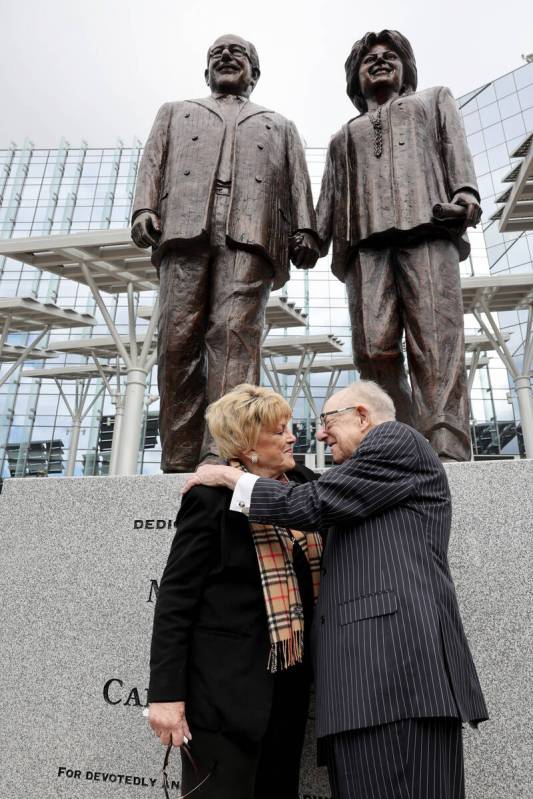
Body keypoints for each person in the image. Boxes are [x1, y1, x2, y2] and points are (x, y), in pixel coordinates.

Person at [184, 380, 488, 799]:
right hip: (360, 695)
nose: (319, 434)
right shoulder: (356, 476)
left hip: (396, 684)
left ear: (363, 416)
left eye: (327, 421)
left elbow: (309, 504)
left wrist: (225, 473)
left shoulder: (395, 440)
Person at [131, 34, 319, 472]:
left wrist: (306, 228)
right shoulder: (176, 111)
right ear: (206, 70)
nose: (227, 57)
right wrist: (143, 208)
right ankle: (178, 455)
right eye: (217, 53)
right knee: (177, 342)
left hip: (250, 232)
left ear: (254, 73)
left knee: (235, 337)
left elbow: (298, 180)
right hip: (183, 227)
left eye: (239, 54)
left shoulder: (279, 124)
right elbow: (152, 163)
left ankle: (223, 451)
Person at [148, 384, 322, 799]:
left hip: (289, 688)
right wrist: (166, 697)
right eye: (279, 431)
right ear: (247, 445)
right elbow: (175, 601)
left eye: (289, 427)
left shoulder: (302, 485)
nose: (292, 437)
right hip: (225, 696)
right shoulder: (208, 500)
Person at [316, 30, 481, 462]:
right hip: (364, 247)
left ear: (406, 68)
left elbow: (455, 151)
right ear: (355, 77)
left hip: (428, 233)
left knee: (436, 343)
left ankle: (445, 444)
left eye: (390, 56)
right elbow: (326, 205)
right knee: (373, 348)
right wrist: (306, 241)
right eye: (369, 59)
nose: (380, 61)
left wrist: (465, 194)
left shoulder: (432, 101)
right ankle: (401, 443)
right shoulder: (341, 138)